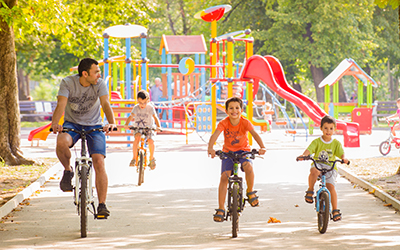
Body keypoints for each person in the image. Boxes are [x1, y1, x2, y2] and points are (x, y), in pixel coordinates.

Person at [51, 58, 117, 218]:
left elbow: (105, 103)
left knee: (99, 161)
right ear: (85, 73)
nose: (99, 75)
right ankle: (68, 171)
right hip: (72, 124)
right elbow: (61, 104)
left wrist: (111, 122)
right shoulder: (67, 82)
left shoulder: (100, 84)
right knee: (61, 142)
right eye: (96, 72)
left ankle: (102, 205)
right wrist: (55, 123)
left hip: (94, 126)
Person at [207, 97, 266, 222]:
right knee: (224, 177)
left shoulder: (245, 122)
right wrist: (210, 148)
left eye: (237, 108)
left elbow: (254, 134)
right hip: (228, 152)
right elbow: (215, 134)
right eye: (231, 108)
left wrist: (262, 147)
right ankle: (221, 208)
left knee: (248, 167)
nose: (234, 111)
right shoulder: (224, 123)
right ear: (227, 111)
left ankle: (250, 192)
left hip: (244, 150)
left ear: (241, 110)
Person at [297, 115, 349, 222]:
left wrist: (344, 159)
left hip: (331, 166)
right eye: (325, 128)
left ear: (334, 129)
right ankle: (310, 190)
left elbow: (341, 154)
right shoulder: (317, 142)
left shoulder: (336, 143)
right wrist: (303, 156)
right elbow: (309, 150)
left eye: (331, 128)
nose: (328, 131)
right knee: (314, 171)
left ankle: (335, 210)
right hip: (318, 164)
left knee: (331, 187)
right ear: (321, 128)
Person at [125, 90, 161, 170]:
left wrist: (158, 126)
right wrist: (126, 124)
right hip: (138, 127)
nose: (142, 105)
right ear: (137, 100)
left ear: (148, 101)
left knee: (150, 140)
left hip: (149, 127)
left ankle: (151, 158)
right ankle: (134, 158)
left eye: (144, 103)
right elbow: (131, 116)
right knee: (137, 137)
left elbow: (155, 117)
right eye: (140, 103)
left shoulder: (150, 108)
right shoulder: (136, 108)